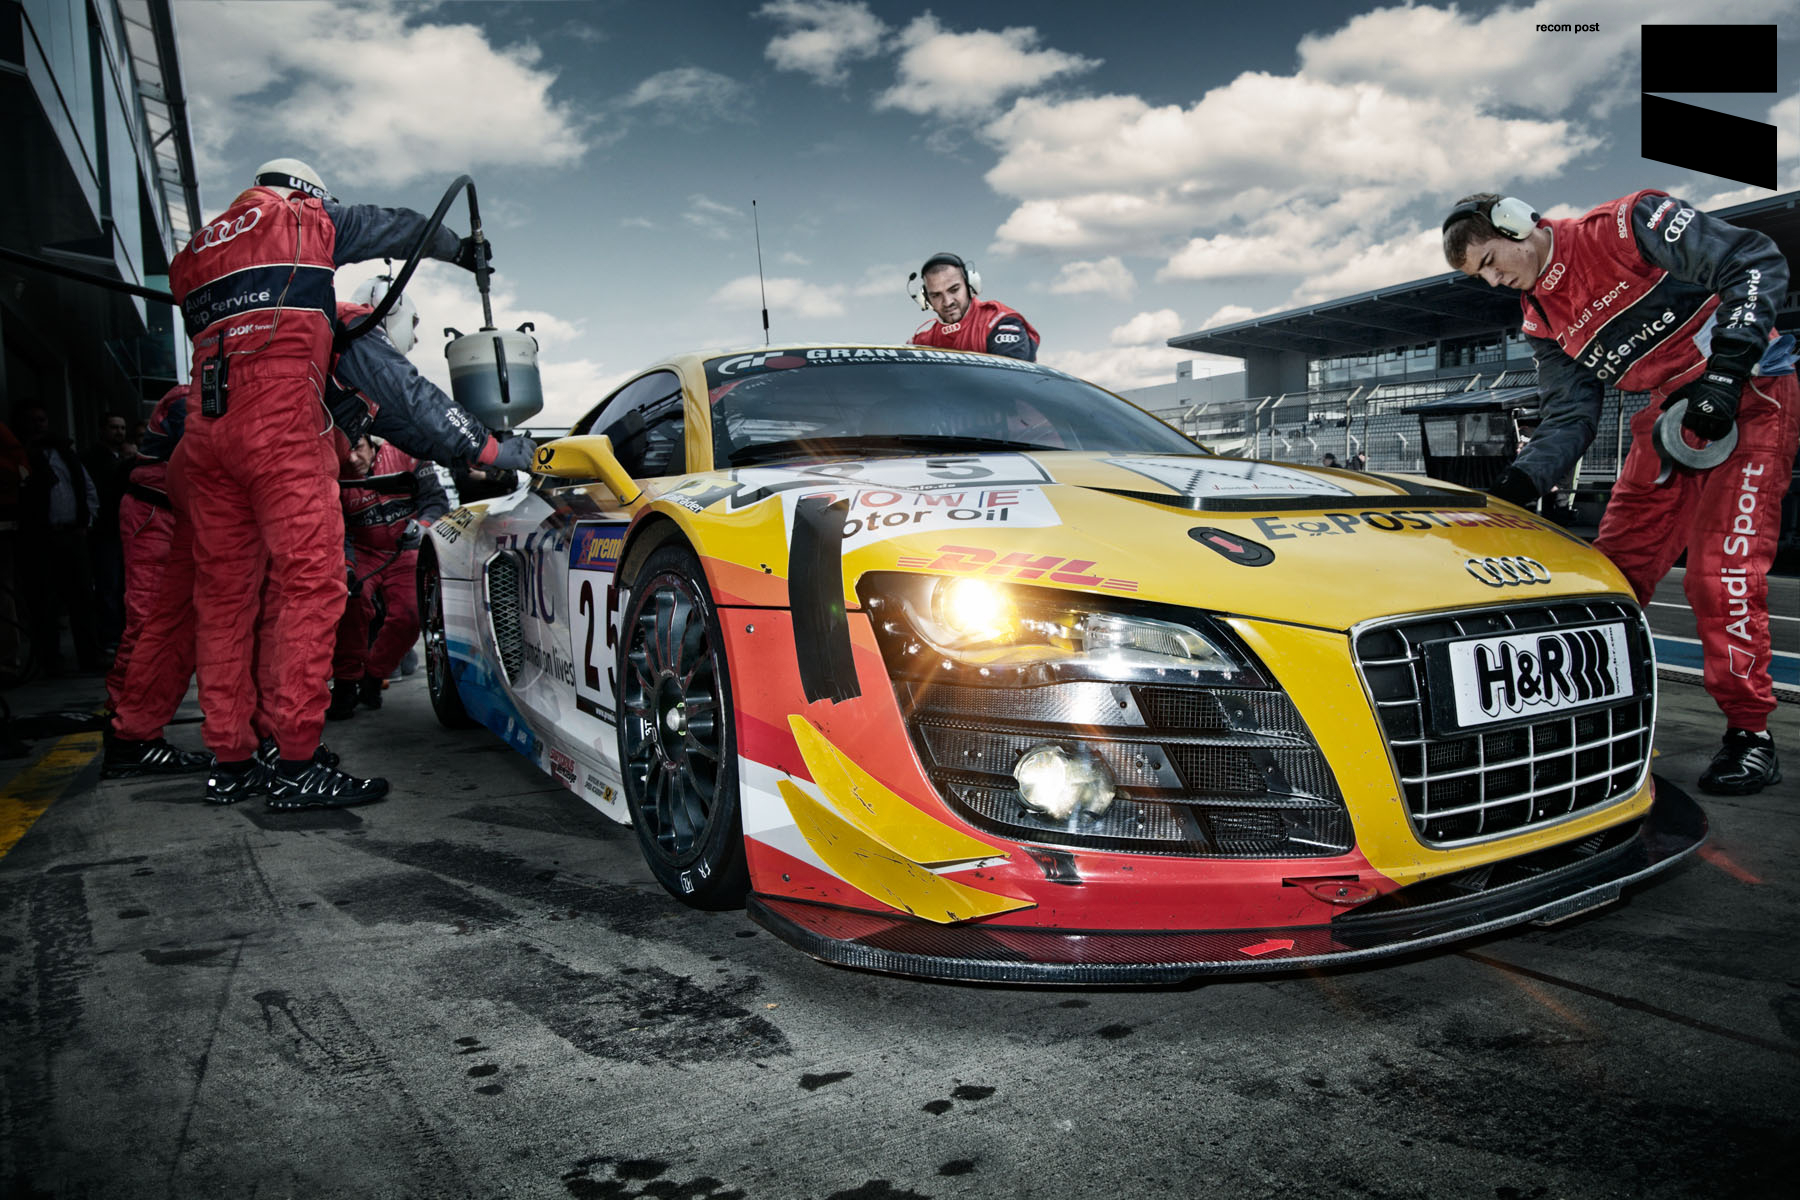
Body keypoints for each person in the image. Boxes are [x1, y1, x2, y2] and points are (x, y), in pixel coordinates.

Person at [1444, 191, 1796, 795]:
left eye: (1492, 261)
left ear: (1515, 223)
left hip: (1751, 393)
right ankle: (1593, 721)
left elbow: (1754, 260)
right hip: (1669, 419)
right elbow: (1568, 418)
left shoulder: (1627, 224)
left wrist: (1726, 371)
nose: (1495, 280)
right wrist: (1516, 485)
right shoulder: (1540, 318)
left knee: (1719, 576)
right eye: (1482, 276)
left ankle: (1751, 734)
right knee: (1610, 575)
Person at [103, 300, 535, 787]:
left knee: (205, 612)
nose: (414, 339)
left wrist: (469, 453)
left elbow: (408, 428)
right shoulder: (351, 326)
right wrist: (491, 447)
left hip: (212, 462)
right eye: (412, 326)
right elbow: (414, 398)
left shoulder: (309, 330)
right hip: (261, 463)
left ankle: (185, 743)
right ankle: (281, 749)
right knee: (289, 603)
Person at [166, 156, 488, 807]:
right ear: (306, 191)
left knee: (225, 603)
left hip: (207, 431)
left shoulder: (193, 254)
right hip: (281, 423)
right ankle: (296, 761)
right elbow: (397, 226)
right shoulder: (302, 217)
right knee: (309, 587)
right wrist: (460, 249)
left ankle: (233, 759)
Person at [327, 434, 448, 719]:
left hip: (405, 549)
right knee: (350, 602)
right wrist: (346, 565)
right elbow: (335, 527)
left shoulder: (408, 451)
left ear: (372, 443)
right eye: (345, 452)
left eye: (358, 448)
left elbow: (435, 500)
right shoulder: (331, 469)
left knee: (411, 613)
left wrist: (422, 525)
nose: (352, 459)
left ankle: (373, 677)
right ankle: (345, 685)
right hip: (361, 551)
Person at [14, 404, 102, 675]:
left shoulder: (64, 453)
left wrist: (86, 522)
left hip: (72, 534)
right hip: (41, 537)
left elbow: (86, 487)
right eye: (33, 420)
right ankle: (50, 660)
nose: (38, 425)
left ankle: (89, 656)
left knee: (82, 598)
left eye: (42, 420)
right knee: (44, 601)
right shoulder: (22, 456)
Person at [908, 252, 1040, 360]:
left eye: (954, 290)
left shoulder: (999, 322)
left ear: (970, 285)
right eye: (936, 295)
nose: (947, 302)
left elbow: (1008, 379)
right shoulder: (922, 342)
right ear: (925, 300)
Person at [84, 412, 133, 654]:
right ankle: (110, 636)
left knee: (122, 585)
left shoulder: (119, 457)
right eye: (114, 427)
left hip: (123, 530)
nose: (119, 432)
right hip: (106, 531)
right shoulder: (94, 459)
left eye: (122, 428)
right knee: (108, 586)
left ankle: (121, 633)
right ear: (102, 429)